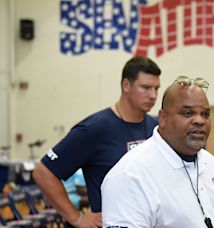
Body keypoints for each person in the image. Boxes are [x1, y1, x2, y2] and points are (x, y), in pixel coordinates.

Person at [32, 56, 161, 227]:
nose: (153, 95)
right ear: (126, 85)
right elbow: (43, 172)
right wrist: (76, 218)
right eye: (145, 88)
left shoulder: (157, 128)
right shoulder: (94, 129)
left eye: (156, 88)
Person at [101, 76, 214, 228]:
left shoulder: (211, 164)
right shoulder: (130, 175)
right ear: (163, 118)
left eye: (205, 114)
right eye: (188, 113)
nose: (200, 121)